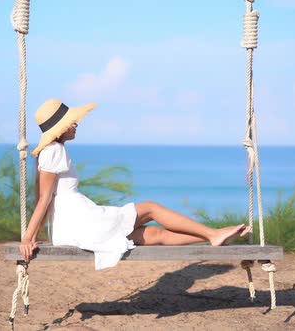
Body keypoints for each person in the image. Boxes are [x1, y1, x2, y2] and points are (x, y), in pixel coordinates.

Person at [20, 98, 251, 270]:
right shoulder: (54, 151)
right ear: (60, 128)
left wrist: (40, 233)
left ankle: (214, 235)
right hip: (81, 222)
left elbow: (46, 199)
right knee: (149, 207)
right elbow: (44, 198)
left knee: (155, 235)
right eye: (72, 122)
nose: (76, 124)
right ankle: (212, 234)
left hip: (74, 224)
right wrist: (28, 238)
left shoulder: (52, 152)